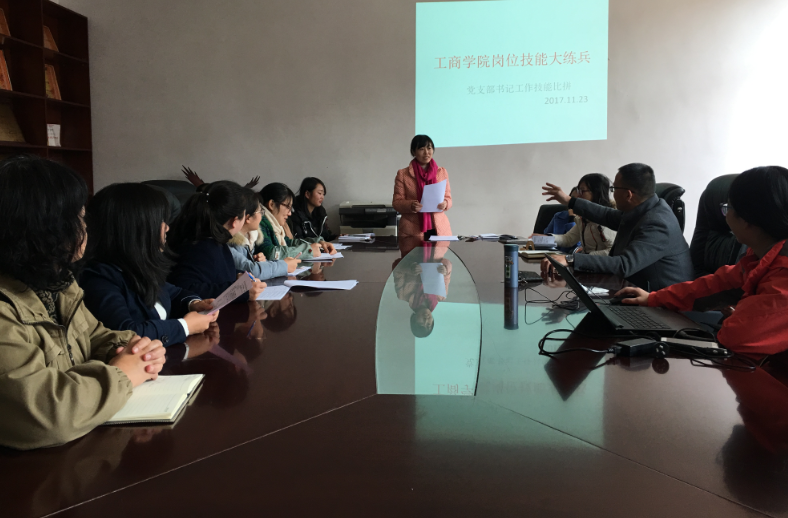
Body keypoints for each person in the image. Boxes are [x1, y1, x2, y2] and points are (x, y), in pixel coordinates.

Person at [0, 155, 166, 450]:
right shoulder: (5, 307)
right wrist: (123, 374)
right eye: (78, 217)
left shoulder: (58, 282)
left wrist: (136, 349)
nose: (86, 228)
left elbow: (94, 335)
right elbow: (47, 414)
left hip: (80, 449)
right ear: (45, 228)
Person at [613, 166, 788, 358]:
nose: (725, 215)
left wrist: (740, 319)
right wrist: (654, 298)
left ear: (747, 219)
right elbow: (715, 285)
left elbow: (736, 338)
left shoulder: (783, 274)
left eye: (727, 208)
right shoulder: (760, 257)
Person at [80, 183, 219, 348]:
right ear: (135, 228)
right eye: (160, 221)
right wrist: (185, 326)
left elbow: (174, 293)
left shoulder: (137, 267)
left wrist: (194, 304)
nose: (167, 228)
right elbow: (126, 334)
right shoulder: (98, 279)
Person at [541, 163, 693, 291]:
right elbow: (606, 215)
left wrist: (570, 259)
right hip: (634, 289)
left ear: (628, 195)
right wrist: (569, 201)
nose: (612, 194)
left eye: (614, 189)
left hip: (664, 304)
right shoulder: (641, 210)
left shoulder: (658, 222)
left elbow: (624, 265)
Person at [167, 181, 266, 301]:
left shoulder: (212, 240)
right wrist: (240, 291)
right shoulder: (199, 248)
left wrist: (238, 275)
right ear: (234, 221)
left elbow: (217, 272)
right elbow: (185, 290)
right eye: (244, 215)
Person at [228, 189, 301, 279]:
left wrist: (260, 261)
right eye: (260, 212)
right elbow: (253, 271)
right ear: (248, 218)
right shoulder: (228, 244)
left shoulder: (250, 239)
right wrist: (284, 266)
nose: (262, 216)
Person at [539, 174, 617, 256]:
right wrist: (542, 239)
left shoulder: (608, 219)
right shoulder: (583, 218)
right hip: (586, 261)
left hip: (598, 263)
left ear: (596, 193)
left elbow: (613, 251)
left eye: (582, 191)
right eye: (578, 190)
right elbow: (568, 239)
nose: (578, 195)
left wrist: (581, 258)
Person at [392, 135, 452, 238]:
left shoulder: (442, 172)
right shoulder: (403, 174)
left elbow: (448, 197)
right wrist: (411, 205)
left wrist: (445, 203)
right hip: (412, 229)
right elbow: (396, 203)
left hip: (439, 228)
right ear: (413, 152)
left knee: (440, 249)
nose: (426, 152)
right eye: (421, 149)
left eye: (429, 148)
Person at [257, 182, 335, 260]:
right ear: (271, 204)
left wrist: (318, 242)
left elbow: (290, 243)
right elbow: (270, 253)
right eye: (287, 207)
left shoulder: (275, 226)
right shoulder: (259, 223)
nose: (290, 213)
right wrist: (308, 251)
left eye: (291, 208)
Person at [289, 177, 338, 242]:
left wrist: (337, 237)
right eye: (319, 193)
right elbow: (298, 241)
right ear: (307, 194)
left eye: (323, 194)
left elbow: (324, 237)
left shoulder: (320, 212)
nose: (322, 197)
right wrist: (319, 243)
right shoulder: (294, 214)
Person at [544, 187, 579, 253]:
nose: (574, 203)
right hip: (553, 254)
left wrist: (572, 219)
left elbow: (576, 247)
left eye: (578, 200)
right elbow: (547, 237)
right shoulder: (559, 216)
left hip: (571, 257)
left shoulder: (587, 220)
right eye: (572, 199)